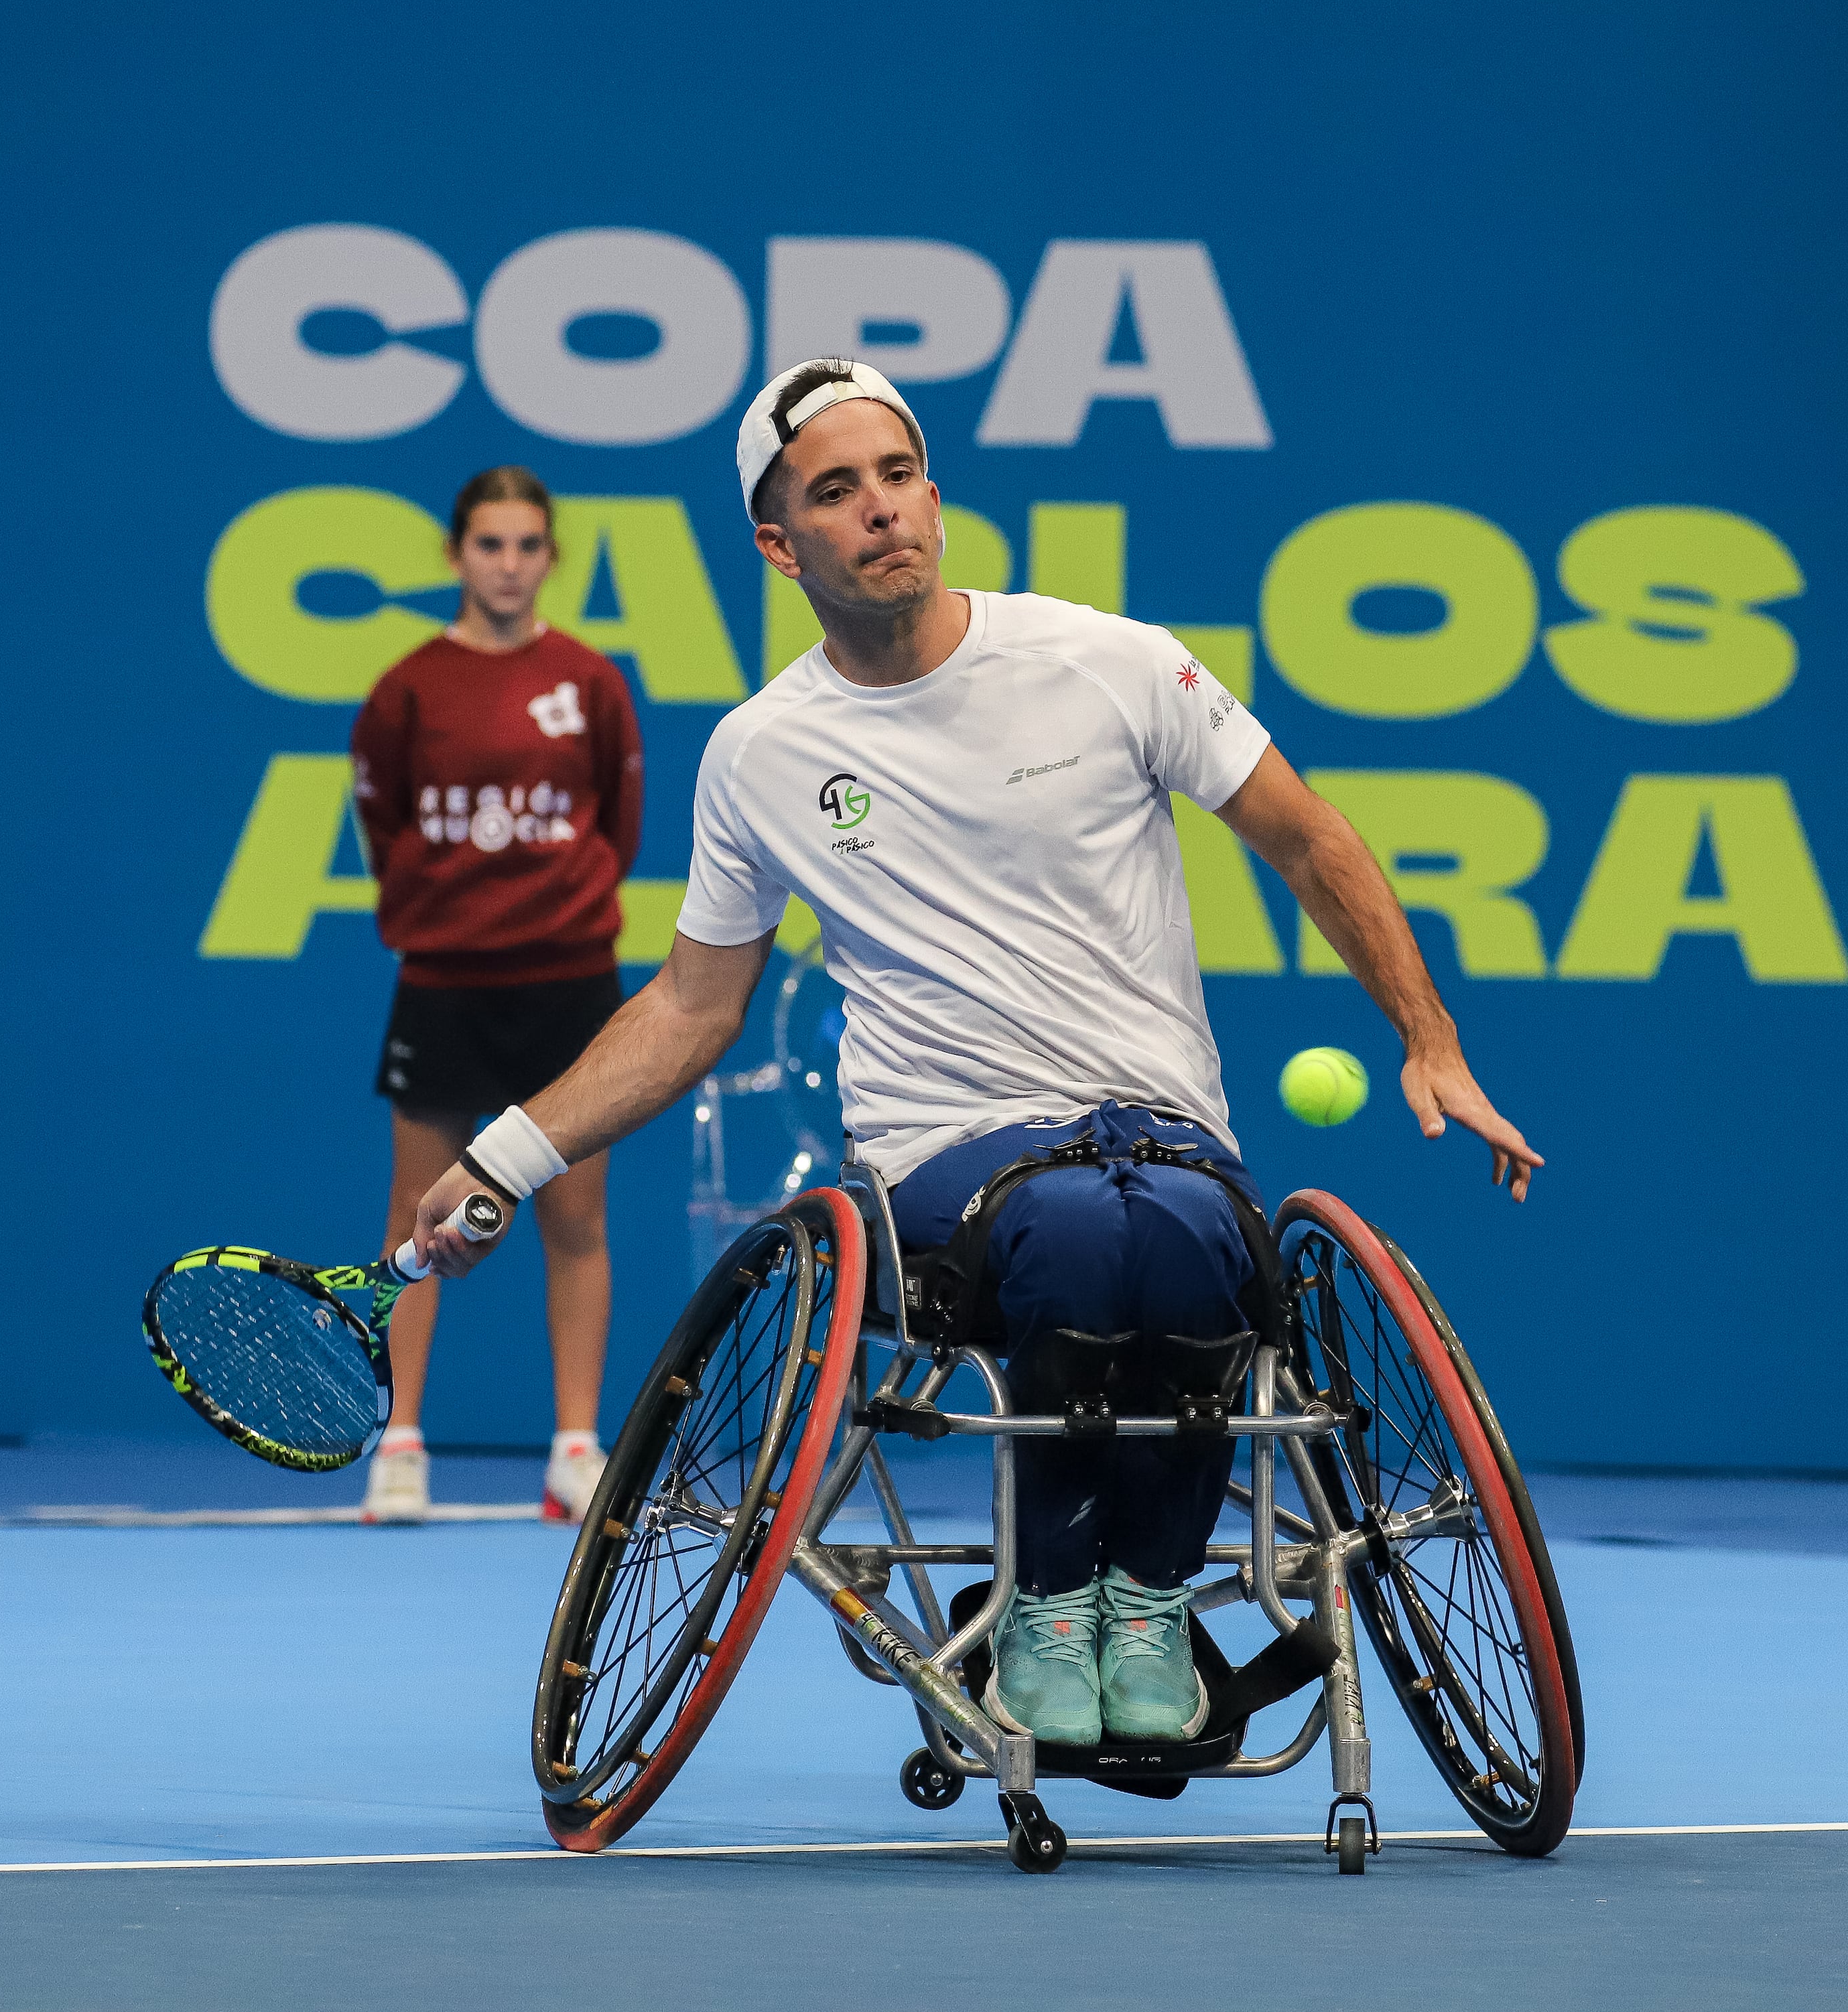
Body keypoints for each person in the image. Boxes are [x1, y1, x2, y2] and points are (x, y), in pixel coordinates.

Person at [404, 362, 1536, 1747]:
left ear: (932, 493)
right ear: (780, 544)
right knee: (1070, 1232)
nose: (880, 508)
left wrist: (1431, 1040)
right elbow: (691, 1007)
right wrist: (507, 1156)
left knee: (1185, 1234)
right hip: (944, 1166)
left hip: (1165, 1132)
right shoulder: (762, 753)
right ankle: (1053, 1604)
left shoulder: (1109, 658)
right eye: (835, 490)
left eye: (896, 474)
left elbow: (1308, 835)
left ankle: (1148, 1598)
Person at [348, 465, 643, 1524]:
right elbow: (385, 825)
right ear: (456, 554)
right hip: (444, 982)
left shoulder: (591, 683)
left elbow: (619, 820)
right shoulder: (407, 689)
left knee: (575, 1217)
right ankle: (401, 1444)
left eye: (528, 545)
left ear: (549, 556)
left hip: (570, 984)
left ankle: (575, 1447)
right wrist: (448, 914)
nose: (509, 565)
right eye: (490, 545)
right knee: (416, 1220)